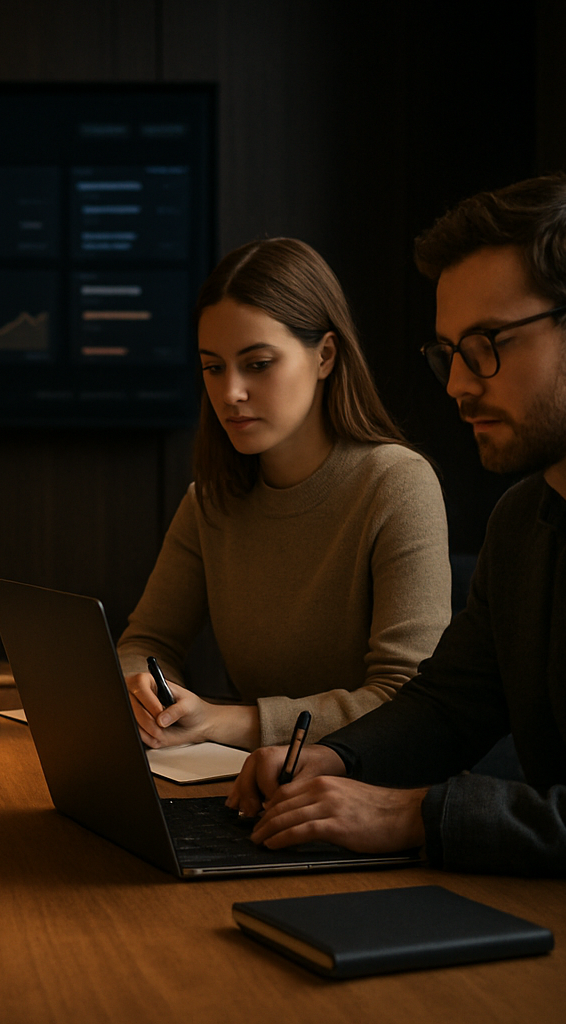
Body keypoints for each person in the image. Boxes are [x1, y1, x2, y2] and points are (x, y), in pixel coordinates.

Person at [228, 175, 566, 940]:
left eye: (487, 348)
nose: (460, 387)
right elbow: (448, 708)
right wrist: (331, 763)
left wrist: (416, 815)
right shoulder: (522, 522)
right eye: (449, 354)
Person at [119, 238, 451, 751]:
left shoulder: (396, 483)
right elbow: (145, 643)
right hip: (246, 782)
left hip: (366, 794)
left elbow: (407, 699)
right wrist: (143, 690)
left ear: (325, 356)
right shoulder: (210, 501)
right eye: (213, 367)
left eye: (257, 364)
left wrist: (225, 723)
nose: (230, 392)